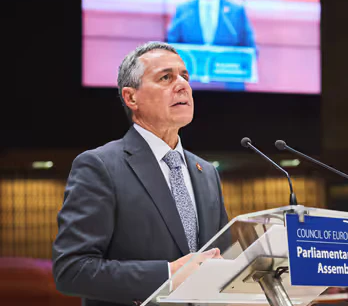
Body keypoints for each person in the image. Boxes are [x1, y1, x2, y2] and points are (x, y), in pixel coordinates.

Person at [52, 42, 229, 306]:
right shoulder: (100, 167)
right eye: (166, 77)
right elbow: (72, 270)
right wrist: (168, 275)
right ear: (131, 97)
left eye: (185, 76)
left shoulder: (205, 172)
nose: (182, 85)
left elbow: (221, 258)